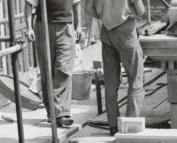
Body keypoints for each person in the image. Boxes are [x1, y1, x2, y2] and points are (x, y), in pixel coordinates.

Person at [85, 0, 145, 134]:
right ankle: (130, 125)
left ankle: (113, 125)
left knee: (111, 81)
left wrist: (105, 17)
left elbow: (88, 9)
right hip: (126, 29)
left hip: (106, 30)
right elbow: (141, 11)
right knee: (136, 78)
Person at [25, 0, 82, 128]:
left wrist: (78, 26)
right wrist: (28, 27)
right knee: (47, 70)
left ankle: (61, 112)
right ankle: (53, 113)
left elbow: (76, 3)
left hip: (66, 26)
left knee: (64, 68)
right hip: (43, 25)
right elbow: (29, 4)